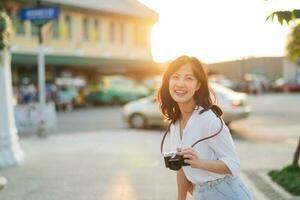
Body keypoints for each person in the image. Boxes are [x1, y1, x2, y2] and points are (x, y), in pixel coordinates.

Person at [157, 56, 252, 200]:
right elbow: (182, 168)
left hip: (227, 193)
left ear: (198, 85)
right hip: (200, 193)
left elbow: (233, 165)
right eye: (175, 77)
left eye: (189, 78)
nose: (180, 84)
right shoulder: (175, 123)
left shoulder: (209, 120)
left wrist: (198, 163)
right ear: (168, 81)